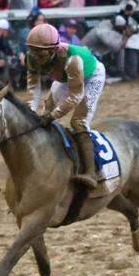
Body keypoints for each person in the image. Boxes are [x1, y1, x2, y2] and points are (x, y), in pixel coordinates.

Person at [25, 22, 105, 188]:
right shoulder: (31, 57)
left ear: (54, 50)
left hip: (92, 76)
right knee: (45, 109)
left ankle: (91, 173)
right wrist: (31, 110)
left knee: (79, 121)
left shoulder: (72, 59)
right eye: (33, 52)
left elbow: (75, 96)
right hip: (66, 77)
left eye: (41, 54)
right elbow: (33, 87)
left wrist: (52, 116)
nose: (36, 58)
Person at [118, 0, 139, 80]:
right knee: (130, 64)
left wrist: (133, 30)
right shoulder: (122, 14)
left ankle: (132, 75)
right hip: (128, 44)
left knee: (136, 62)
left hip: (138, 43)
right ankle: (127, 76)